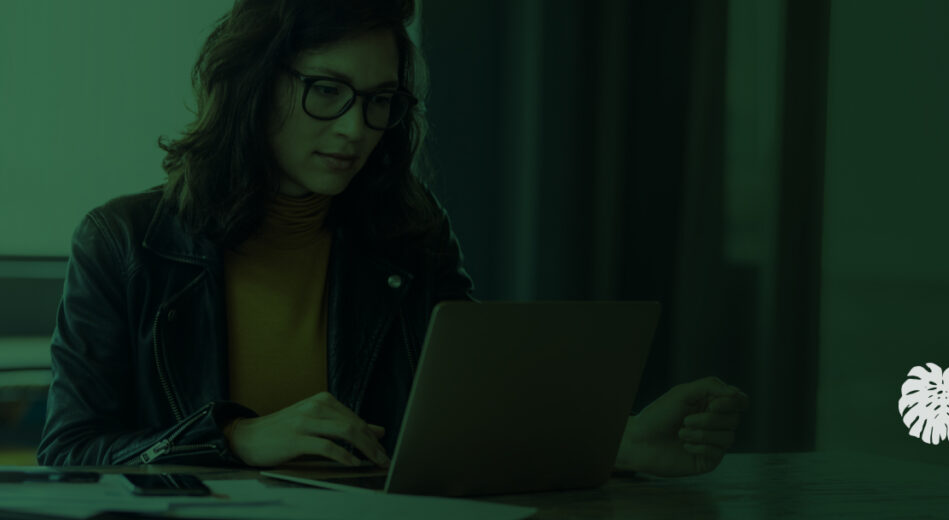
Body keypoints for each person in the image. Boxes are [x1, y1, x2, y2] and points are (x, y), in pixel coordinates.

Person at [36, 0, 749, 477]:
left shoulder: (407, 233)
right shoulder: (124, 241)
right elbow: (70, 452)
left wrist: (619, 441)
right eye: (326, 91)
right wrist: (235, 439)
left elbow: (473, 417)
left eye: (380, 102)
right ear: (253, 85)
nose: (354, 129)